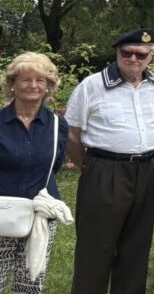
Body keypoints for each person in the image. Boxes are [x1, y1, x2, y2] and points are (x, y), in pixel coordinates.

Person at [66, 28, 154, 294]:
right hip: (105, 169)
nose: (134, 59)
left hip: (149, 170)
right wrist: (89, 167)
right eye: (127, 53)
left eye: (141, 54)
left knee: (137, 246)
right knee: (96, 247)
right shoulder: (92, 85)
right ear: (117, 52)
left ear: (151, 56)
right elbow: (72, 134)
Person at [0, 53, 69, 293]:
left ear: (48, 86)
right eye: (25, 79)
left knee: (31, 283)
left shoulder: (58, 125)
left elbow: (55, 164)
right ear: (12, 84)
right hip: (2, 212)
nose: (33, 85)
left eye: (40, 80)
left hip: (40, 215)